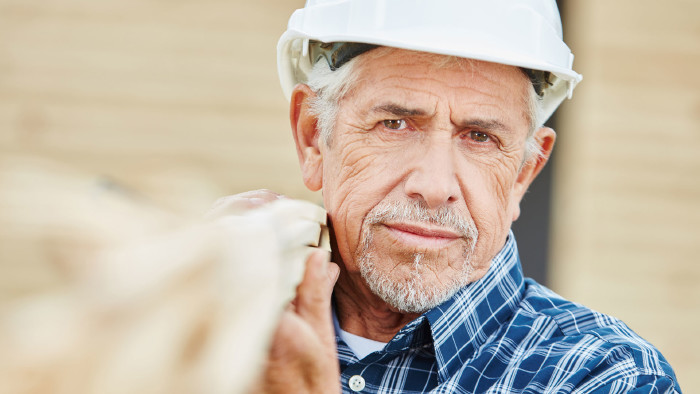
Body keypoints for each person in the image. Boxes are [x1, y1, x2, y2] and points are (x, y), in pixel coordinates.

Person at [238, 0, 681, 392]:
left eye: (480, 137)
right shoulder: (214, 327)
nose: (434, 187)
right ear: (313, 138)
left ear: (524, 174)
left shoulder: (607, 376)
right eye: (395, 124)